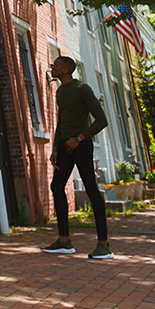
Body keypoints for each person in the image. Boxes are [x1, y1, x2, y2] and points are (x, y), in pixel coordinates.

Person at [42, 56, 113, 259]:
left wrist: (80, 138)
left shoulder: (82, 89)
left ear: (65, 70)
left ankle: (103, 245)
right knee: (56, 186)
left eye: (55, 65)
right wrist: (55, 147)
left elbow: (101, 120)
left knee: (91, 189)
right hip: (64, 146)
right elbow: (61, 121)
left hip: (81, 146)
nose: (52, 67)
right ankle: (64, 241)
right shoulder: (60, 91)